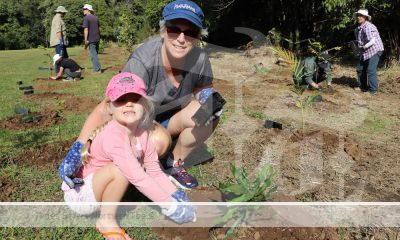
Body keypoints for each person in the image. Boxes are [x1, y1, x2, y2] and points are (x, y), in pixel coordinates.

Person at [60, 0, 222, 190]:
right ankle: (129, 169)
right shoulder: (143, 60)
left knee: (211, 109)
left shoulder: (200, 59)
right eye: (174, 29)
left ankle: (174, 163)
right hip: (140, 122)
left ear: (198, 37)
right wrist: (79, 147)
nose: (181, 38)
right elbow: (108, 106)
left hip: (172, 119)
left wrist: (207, 97)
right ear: (163, 30)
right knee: (159, 141)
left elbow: (202, 89)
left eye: (190, 32)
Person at [60, 72, 196, 239]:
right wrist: (170, 206)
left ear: (145, 105)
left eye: (135, 99)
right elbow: (138, 177)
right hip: (81, 196)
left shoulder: (142, 134)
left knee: (127, 170)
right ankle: (106, 222)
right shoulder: (114, 136)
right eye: (121, 100)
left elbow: (154, 171)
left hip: (99, 188)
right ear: (110, 107)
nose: (129, 104)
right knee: (120, 170)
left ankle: (111, 203)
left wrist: (174, 194)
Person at [353, 9, 384, 95]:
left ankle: (373, 90)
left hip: (375, 50)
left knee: (370, 70)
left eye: (361, 16)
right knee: (360, 68)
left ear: (365, 17)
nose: (358, 17)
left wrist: (363, 47)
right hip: (365, 51)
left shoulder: (369, 26)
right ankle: (363, 87)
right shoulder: (358, 28)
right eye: (358, 15)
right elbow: (360, 41)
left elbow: (372, 40)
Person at [82, 4, 102, 73]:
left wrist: (85, 39)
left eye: (84, 9)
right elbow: (99, 29)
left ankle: (97, 69)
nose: (83, 10)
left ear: (88, 10)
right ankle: (96, 68)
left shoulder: (86, 18)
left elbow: (86, 29)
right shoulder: (96, 18)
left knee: (93, 55)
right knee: (95, 54)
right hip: (97, 39)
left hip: (91, 39)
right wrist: (98, 36)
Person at [50, 6, 69, 74]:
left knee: (65, 57)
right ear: (62, 12)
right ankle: (58, 73)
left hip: (60, 41)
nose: (65, 14)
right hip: (59, 41)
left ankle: (65, 71)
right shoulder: (58, 18)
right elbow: (58, 31)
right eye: (64, 12)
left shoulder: (58, 18)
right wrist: (61, 41)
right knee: (60, 58)